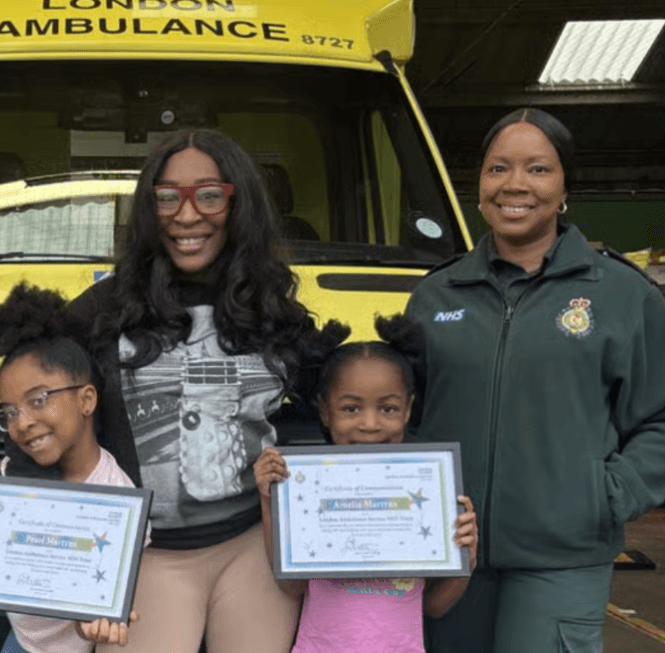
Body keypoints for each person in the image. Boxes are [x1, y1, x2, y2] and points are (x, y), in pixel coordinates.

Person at [405, 108, 665, 653]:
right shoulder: (436, 295)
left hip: (564, 557)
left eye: (538, 169)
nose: (515, 185)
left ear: (565, 186)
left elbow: (658, 417)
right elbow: (405, 413)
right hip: (449, 554)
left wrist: (607, 495)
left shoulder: (621, 293)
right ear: (478, 185)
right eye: (498, 169)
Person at [69, 128, 322, 653]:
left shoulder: (274, 310)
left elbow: (344, 410)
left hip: (252, 548)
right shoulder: (100, 312)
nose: (187, 216)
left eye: (209, 195)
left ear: (238, 202)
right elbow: (42, 417)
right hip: (150, 553)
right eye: (167, 198)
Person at [254, 314, 479, 653]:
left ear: (408, 411)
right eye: (351, 408)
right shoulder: (307, 491)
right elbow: (292, 586)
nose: (370, 424)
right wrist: (269, 499)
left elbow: (434, 606)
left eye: (388, 409)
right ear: (325, 411)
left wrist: (467, 558)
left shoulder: (433, 494)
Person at [0, 282, 142, 652]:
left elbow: (120, 609)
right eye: (10, 412)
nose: (23, 423)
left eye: (38, 400)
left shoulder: (120, 499)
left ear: (86, 399)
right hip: (20, 644)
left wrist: (99, 626)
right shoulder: (11, 476)